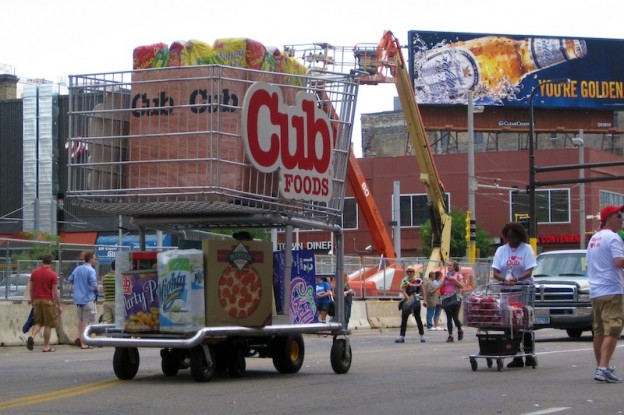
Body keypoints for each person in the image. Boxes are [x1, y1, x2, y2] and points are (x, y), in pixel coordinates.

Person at [586, 205, 624, 383]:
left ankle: (601, 366)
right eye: (618, 216)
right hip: (612, 290)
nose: (621, 219)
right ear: (609, 218)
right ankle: (603, 368)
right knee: (614, 329)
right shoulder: (613, 238)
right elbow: (618, 262)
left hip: (595, 291)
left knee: (599, 330)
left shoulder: (594, 238)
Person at [491, 222, 537, 368]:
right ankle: (516, 355)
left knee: (524, 322)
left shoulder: (526, 249)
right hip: (507, 291)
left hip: (523, 289)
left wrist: (516, 279)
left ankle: (529, 355)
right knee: (510, 323)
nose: (510, 240)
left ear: (520, 236)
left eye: (513, 237)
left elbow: (529, 271)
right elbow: (496, 273)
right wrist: (505, 280)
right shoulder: (501, 251)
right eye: (508, 237)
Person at [26, 254, 62, 352]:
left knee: (38, 322)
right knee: (48, 325)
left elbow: (31, 288)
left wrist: (32, 300)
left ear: (42, 261)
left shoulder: (34, 272)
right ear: (51, 263)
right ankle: (46, 346)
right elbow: (55, 292)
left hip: (36, 301)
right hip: (47, 301)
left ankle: (32, 336)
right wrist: (59, 305)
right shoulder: (53, 274)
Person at [68, 251, 99, 349]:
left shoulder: (77, 269)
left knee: (81, 320)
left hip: (78, 299)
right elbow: (94, 284)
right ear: (90, 259)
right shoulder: (91, 270)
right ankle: (84, 342)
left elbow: (70, 279)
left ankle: (79, 338)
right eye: (94, 258)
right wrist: (97, 290)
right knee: (86, 321)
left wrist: (78, 284)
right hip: (87, 298)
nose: (95, 260)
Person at [395, 266, 425, 343]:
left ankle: (422, 335)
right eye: (407, 271)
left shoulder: (418, 280)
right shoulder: (405, 280)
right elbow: (403, 290)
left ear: (414, 272)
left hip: (416, 300)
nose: (409, 273)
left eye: (411, 271)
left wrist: (424, 300)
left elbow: (422, 290)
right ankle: (402, 336)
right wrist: (408, 299)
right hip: (407, 300)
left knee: (418, 318)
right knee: (404, 319)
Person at [440, 261, 464, 342]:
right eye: (448, 265)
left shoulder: (458, 276)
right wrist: (442, 281)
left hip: (455, 298)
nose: (448, 266)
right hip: (447, 298)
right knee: (448, 317)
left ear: (454, 267)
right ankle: (450, 335)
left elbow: (462, 286)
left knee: (455, 317)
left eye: (450, 265)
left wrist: (454, 279)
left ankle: (460, 330)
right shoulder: (446, 276)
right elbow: (441, 286)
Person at [101, 260, 116, 324]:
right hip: (116, 303)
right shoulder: (119, 277)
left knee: (108, 324)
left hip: (106, 303)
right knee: (117, 324)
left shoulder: (105, 277)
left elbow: (104, 289)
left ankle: (108, 334)